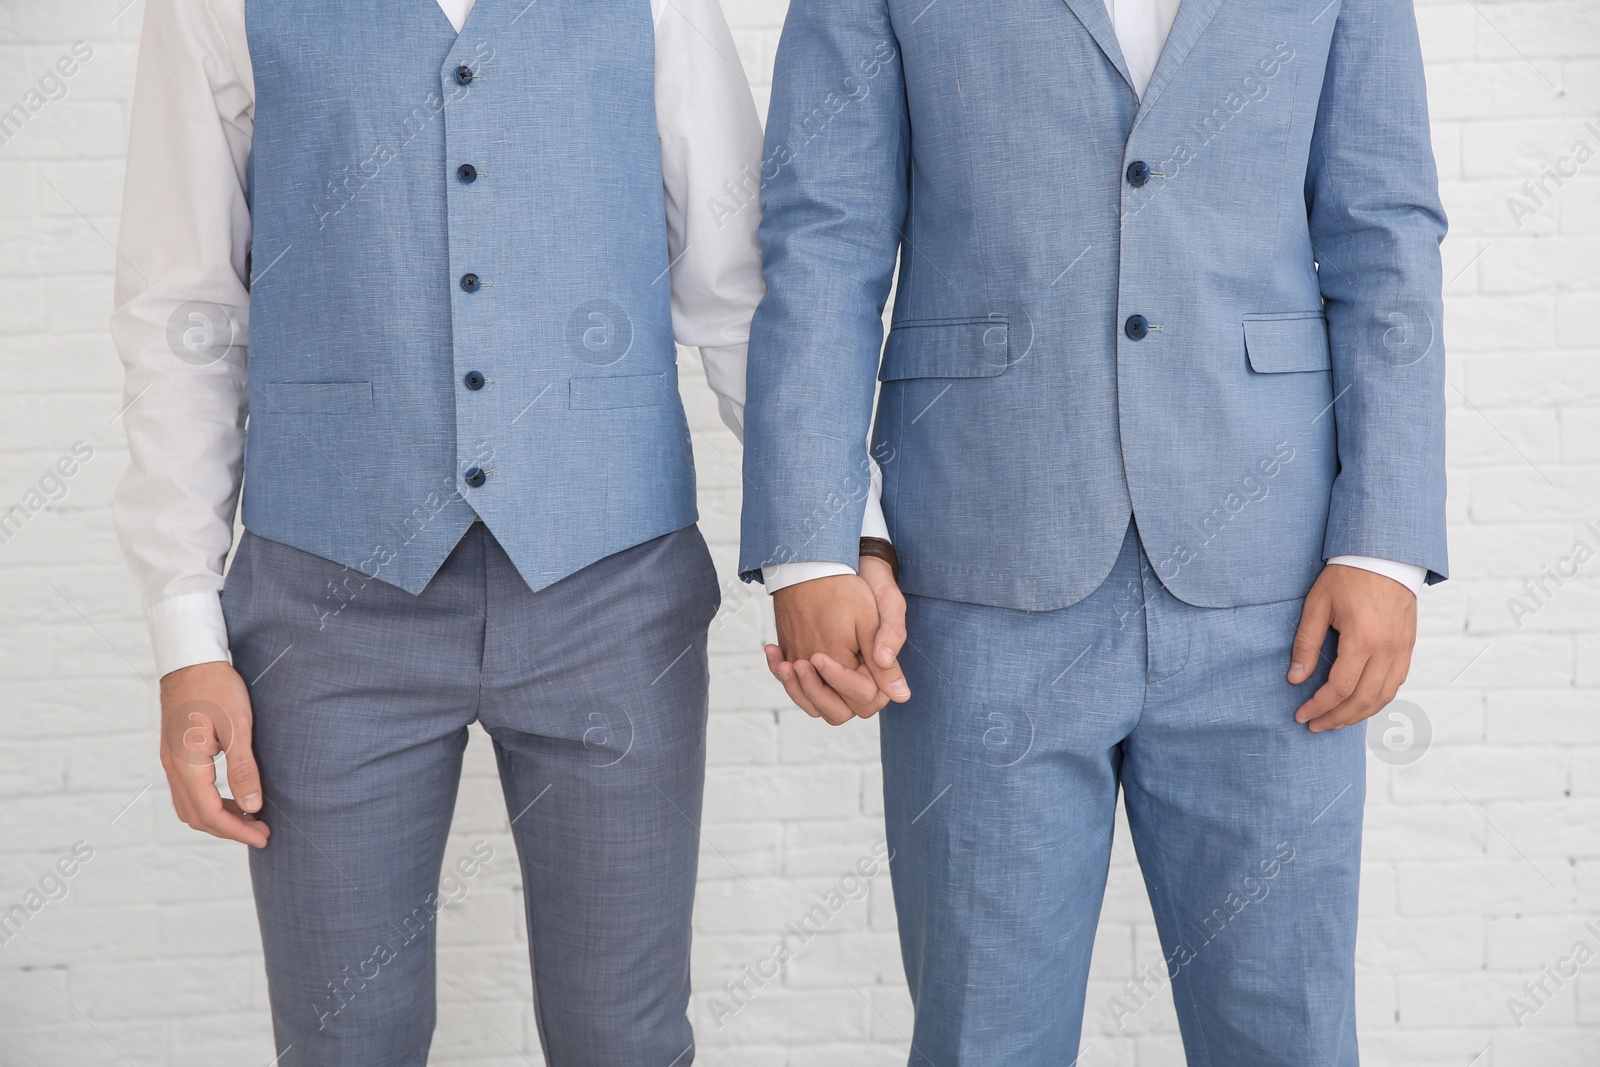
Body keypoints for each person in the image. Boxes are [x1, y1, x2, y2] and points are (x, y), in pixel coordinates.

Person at [110, 0, 884, 1061]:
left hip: (613, 596)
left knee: (624, 1036)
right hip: (325, 606)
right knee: (344, 1041)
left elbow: (735, 291)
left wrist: (825, 540)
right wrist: (186, 641)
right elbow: (184, 317)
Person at [740, 0, 1446, 1062]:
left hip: (1277, 593)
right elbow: (822, 237)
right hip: (974, 576)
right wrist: (812, 539)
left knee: (1287, 1034)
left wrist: (1382, 542)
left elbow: (1384, 234)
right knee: (985, 1037)